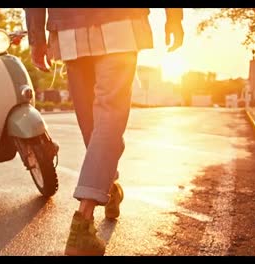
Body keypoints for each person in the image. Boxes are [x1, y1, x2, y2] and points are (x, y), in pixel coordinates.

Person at [24, 8, 184, 256]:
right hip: (120, 25)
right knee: (108, 117)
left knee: (95, 122)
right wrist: (174, 18)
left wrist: (36, 37)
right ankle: (83, 221)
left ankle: (109, 186)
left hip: (69, 27)